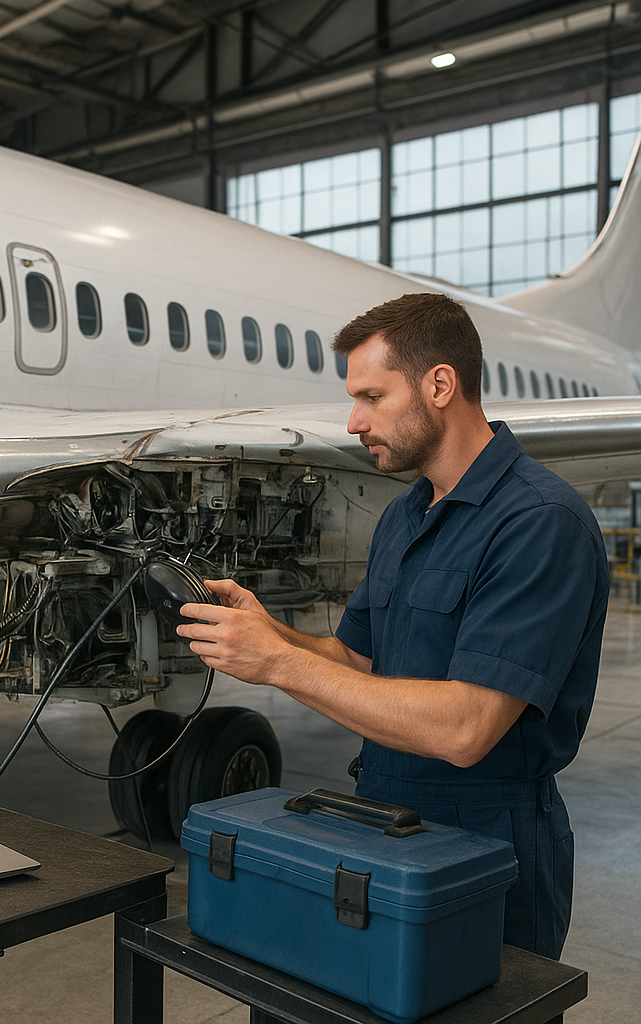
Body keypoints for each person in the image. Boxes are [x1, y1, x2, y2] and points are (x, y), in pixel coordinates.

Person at [177, 292, 608, 960]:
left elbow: (467, 729)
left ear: (440, 384)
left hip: (488, 838)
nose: (353, 422)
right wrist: (270, 633)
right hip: (381, 820)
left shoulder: (539, 523)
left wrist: (277, 665)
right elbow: (354, 660)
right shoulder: (406, 516)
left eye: (372, 397)